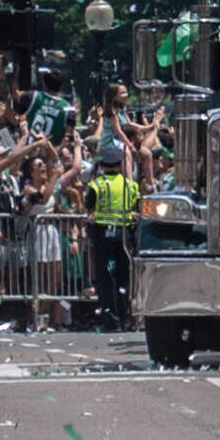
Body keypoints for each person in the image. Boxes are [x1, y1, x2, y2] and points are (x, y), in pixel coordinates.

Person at [84, 137, 140, 331]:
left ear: (102, 165)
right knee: (124, 279)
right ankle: (126, 319)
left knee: (107, 280)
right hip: (125, 237)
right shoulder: (131, 186)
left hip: (104, 236)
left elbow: (88, 207)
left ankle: (112, 321)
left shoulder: (96, 185)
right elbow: (136, 208)